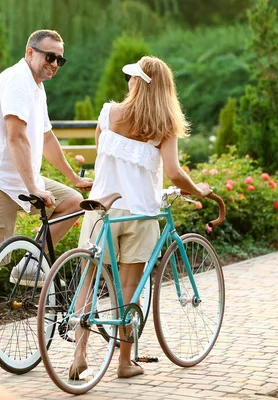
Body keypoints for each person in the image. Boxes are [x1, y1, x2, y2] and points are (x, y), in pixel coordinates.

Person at [71, 56, 212, 379]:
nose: (129, 82)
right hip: (140, 212)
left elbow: (100, 159)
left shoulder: (109, 113)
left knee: (88, 281)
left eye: (132, 78)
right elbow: (175, 173)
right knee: (130, 289)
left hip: (102, 209)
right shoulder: (165, 127)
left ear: (138, 83)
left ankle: (79, 354)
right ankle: (123, 362)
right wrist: (198, 190)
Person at [0, 29, 92, 360]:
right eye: (50, 56)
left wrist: (73, 178)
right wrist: (34, 188)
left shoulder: (37, 88)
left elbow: (46, 138)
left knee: (74, 204)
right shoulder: (18, 81)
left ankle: (32, 263)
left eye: (60, 59)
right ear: (30, 52)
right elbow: (16, 137)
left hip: (21, 180)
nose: (55, 64)